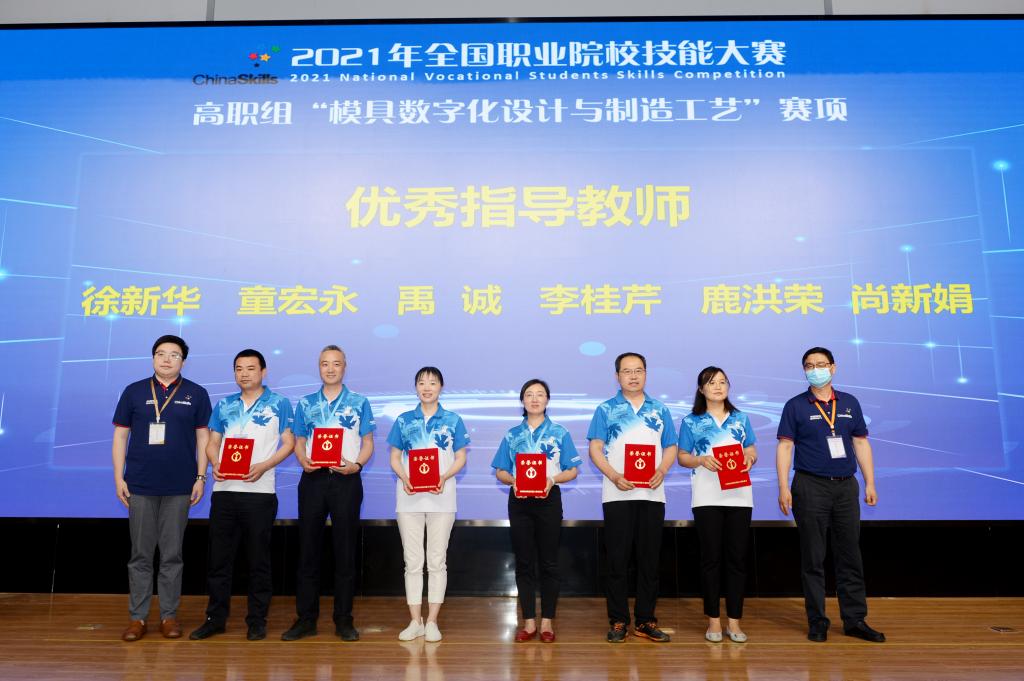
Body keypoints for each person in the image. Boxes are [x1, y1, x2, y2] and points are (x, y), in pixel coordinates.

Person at [776, 346, 885, 643]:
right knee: (813, 557)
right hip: (810, 486)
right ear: (804, 371)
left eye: (821, 364)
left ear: (833, 368)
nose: (816, 370)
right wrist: (783, 487)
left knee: (850, 555)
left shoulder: (849, 402)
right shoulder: (795, 405)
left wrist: (870, 482)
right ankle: (817, 621)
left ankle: (855, 620)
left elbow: (860, 443)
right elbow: (785, 447)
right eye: (810, 366)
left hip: (846, 486)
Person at [189, 349, 295, 642]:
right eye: (239, 368)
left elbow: (288, 443)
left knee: (258, 560)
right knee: (219, 560)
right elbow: (212, 442)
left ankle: (257, 620)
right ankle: (215, 619)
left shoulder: (279, 403)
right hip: (224, 492)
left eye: (250, 368)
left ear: (263, 371)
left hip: (259, 493)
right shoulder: (224, 405)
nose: (244, 373)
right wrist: (215, 463)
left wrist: (264, 466)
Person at [112, 334, 212, 642]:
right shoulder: (134, 391)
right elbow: (120, 437)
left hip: (180, 486)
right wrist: (119, 478)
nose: (167, 359)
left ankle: (169, 616)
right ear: (153, 358)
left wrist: (200, 477)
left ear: (183, 361)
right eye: (161, 353)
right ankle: (138, 618)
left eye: (174, 355)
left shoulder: (196, 393)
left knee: (171, 555)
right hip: (140, 485)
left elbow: (203, 438)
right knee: (140, 555)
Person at [282, 345, 376, 642]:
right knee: (308, 550)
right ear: (319, 367)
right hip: (313, 479)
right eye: (325, 364)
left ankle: (343, 619)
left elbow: (368, 442)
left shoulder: (359, 402)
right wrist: (302, 459)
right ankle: (306, 619)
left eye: (336, 363)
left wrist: (356, 465)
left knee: (345, 551)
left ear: (344, 367)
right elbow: (299, 439)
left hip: (346, 479)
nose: (330, 369)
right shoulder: (306, 403)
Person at [587, 352, 677, 643]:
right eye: (627, 371)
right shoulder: (605, 409)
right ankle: (618, 621)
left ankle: (646, 620)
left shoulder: (659, 409)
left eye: (638, 370)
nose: (633, 376)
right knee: (617, 559)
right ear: (617, 376)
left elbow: (671, 446)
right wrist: (614, 475)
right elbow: (595, 448)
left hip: (652, 494)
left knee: (649, 560)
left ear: (646, 374)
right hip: (617, 494)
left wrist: (662, 469)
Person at [491, 379, 581, 643]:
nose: (534, 399)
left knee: (549, 562)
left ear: (547, 400)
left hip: (548, 499)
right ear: (522, 400)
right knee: (524, 562)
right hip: (519, 501)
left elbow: (572, 470)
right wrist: (513, 480)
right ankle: (529, 622)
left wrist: (552, 479)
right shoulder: (512, 434)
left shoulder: (560, 432)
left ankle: (547, 622)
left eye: (540, 394)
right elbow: (500, 471)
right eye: (529, 394)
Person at [387, 367, 469, 643]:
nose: (427, 387)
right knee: (412, 562)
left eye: (432, 382)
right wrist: (404, 477)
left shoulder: (453, 420)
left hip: (442, 498)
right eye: (421, 382)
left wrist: (444, 476)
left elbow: (460, 457)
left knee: (436, 561)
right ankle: (415, 621)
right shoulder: (403, 420)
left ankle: (432, 620)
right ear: (416, 388)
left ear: (441, 387)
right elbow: (395, 457)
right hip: (408, 497)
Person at [677, 366, 757, 643]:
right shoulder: (691, 421)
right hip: (706, 497)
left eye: (723, 382)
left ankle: (734, 621)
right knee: (711, 559)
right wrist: (700, 460)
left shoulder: (740, 418)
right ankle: (713, 620)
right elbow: (682, 456)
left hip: (740, 496)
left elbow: (751, 447)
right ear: (702, 389)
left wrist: (749, 457)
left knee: (737, 559)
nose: (718, 387)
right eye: (712, 383)